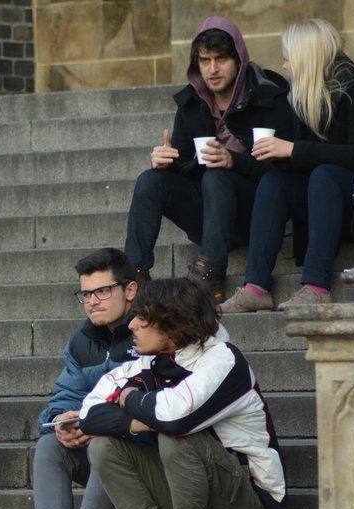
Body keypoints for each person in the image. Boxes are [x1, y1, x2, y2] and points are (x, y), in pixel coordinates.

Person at [80, 278, 286, 509]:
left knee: (178, 435)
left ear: (174, 324)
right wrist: (142, 421)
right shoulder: (153, 360)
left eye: (143, 318)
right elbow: (90, 414)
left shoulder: (223, 360)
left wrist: (131, 400)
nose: (131, 324)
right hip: (192, 494)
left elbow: (175, 420)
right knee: (105, 446)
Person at [220, 18, 354, 311]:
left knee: (324, 175)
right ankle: (255, 286)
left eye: (286, 60)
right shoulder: (307, 97)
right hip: (329, 200)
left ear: (306, 58)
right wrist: (280, 157)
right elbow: (305, 160)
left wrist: (294, 149)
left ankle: (317, 286)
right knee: (275, 181)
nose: (284, 68)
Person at [0, 249, 147, 509]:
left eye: (102, 291)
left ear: (130, 290)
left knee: (110, 443)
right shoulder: (83, 341)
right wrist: (61, 420)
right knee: (50, 444)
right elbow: (64, 396)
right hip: (102, 448)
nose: (92, 302)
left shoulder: (150, 330)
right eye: (85, 294)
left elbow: (154, 407)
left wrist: (96, 424)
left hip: (146, 454)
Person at [123, 17, 294, 302]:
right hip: (209, 213)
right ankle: (135, 276)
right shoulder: (192, 104)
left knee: (217, 173)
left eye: (221, 59)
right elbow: (184, 165)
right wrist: (166, 161)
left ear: (238, 60)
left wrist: (234, 161)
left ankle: (209, 274)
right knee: (150, 180)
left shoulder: (268, 97)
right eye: (204, 61)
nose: (212, 69)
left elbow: (285, 171)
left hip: (257, 213)